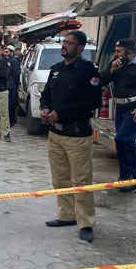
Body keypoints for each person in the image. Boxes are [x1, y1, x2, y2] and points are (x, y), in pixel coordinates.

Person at [40, 31, 101, 243]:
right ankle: (67, 215)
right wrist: (45, 108)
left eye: (69, 43)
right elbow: (46, 94)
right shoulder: (56, 70)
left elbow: (92, 102)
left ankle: (86, 223)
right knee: (60, 178)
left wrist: (63, 112)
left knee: (81, 181)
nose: (64, 46)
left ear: (80, 48)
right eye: (64, 42)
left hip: (76, 135)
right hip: (55, 133)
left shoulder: (88, 71)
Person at [100, 39, 136, 192]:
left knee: (123, 139)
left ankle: (133, 177)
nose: (116, 54)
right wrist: (112, 70)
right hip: (120, 107)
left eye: (119, 51)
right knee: (122, 143)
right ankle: (127, 178)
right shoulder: (117, 63)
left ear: (130, 52)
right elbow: (102, 80)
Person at [5, 44, 20, 127]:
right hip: (9, 85)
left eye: (7, 52)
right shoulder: (8, 60)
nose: (5, 54)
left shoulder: (13, 61)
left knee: (12, 104)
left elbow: (16, 73)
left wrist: (17, 83)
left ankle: (12, 120)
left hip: (12, 86)